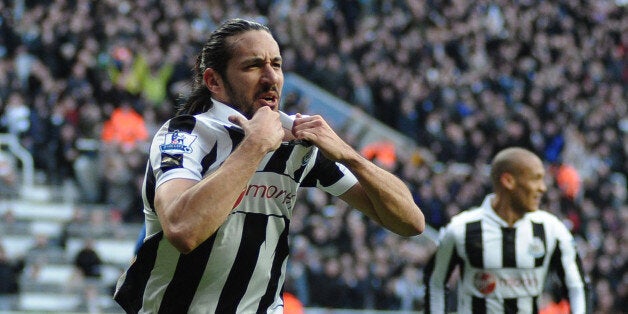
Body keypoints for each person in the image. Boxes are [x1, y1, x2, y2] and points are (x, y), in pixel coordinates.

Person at [114, 18, 425, 313]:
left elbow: (410, 222)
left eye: (276, 64)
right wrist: (255, 145)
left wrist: (348, 154)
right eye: (253, 66)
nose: (270, 77)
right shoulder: (184, 134)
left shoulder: (296, 141)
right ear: (214, 81)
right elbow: (183, 230)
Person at [424, 147, 590, 313]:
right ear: (508, 181)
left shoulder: (551, 229)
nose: (542, 189)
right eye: (533, 180)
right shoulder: (462, 228)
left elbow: (577, 286)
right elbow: (435, 283)